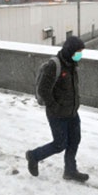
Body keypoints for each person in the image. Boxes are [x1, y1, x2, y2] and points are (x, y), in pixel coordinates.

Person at [26, 36, 89, 182]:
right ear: (70, 50)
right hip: (57, 114)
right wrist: (55, 106)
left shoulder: (73, 64)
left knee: (74, 140)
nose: (80, 54)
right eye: (78, 51)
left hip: (72, 112)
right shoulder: (54, 65)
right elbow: (43, 89)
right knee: (60, 144)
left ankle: (70, 171)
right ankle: (33, 156)